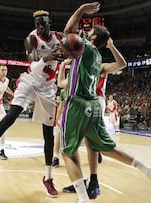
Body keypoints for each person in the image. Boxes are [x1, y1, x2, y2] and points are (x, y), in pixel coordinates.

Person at [60, 3, 151, 202]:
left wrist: (81, 9)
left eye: (89, 32)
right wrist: (110, 45)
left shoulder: (86, 49)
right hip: (94, 106)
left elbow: (67, 31)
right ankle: (149, 171)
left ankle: (82, 198)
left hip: (77, 104)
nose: (86, 33)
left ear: (93, 38)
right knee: (107, 148)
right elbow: (122, 64)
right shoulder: (98, 58)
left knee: (67, 153)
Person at [0, 9, 63, 198]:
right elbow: (32, 65)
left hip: (48, 88)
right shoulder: (31, 39)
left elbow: (74, 36)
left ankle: (48, 178)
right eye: (38, 23)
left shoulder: (59, 37)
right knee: (11, 115)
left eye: (44, 22)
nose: (41, 25)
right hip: (30, 80)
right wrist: (47, 58)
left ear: (50, 22)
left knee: (48, 133)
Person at [61, 37, 127, 198]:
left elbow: (121, 64)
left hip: (96, 100)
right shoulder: (80, 62)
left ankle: (93, 181)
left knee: (90, 143)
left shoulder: (100, 65)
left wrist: (111, 46)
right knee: (71, 142)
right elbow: (63, 83)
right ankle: (81, 180)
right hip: (80, 102)